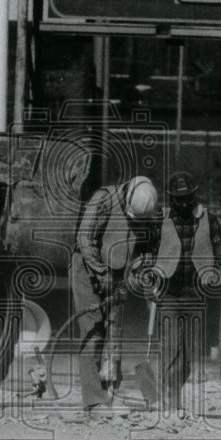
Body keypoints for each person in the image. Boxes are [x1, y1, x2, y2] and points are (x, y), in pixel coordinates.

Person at [71, 175, 159, 417]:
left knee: (115, 334)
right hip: (87, 268)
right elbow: (85, 239)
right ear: (127, 197)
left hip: (118, 272)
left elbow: (146, 248)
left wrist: (143, 273)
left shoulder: (147, 210)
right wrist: (101, 273)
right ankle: (93, 402)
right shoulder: (103, 199)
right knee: (94, 332)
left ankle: (112, 393)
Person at [151, 170, 221, 416]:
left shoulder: (208, 220)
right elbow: (147, 251)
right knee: (171, 348)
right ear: (171, 198)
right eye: (179, 199)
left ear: (195, 195)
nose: (185, 203)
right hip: (168, 294)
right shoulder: (160, 219)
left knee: (190, 354)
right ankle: (170, 398)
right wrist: (146, 277)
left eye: (189, 198)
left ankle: (173, 389)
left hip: (197, 296)